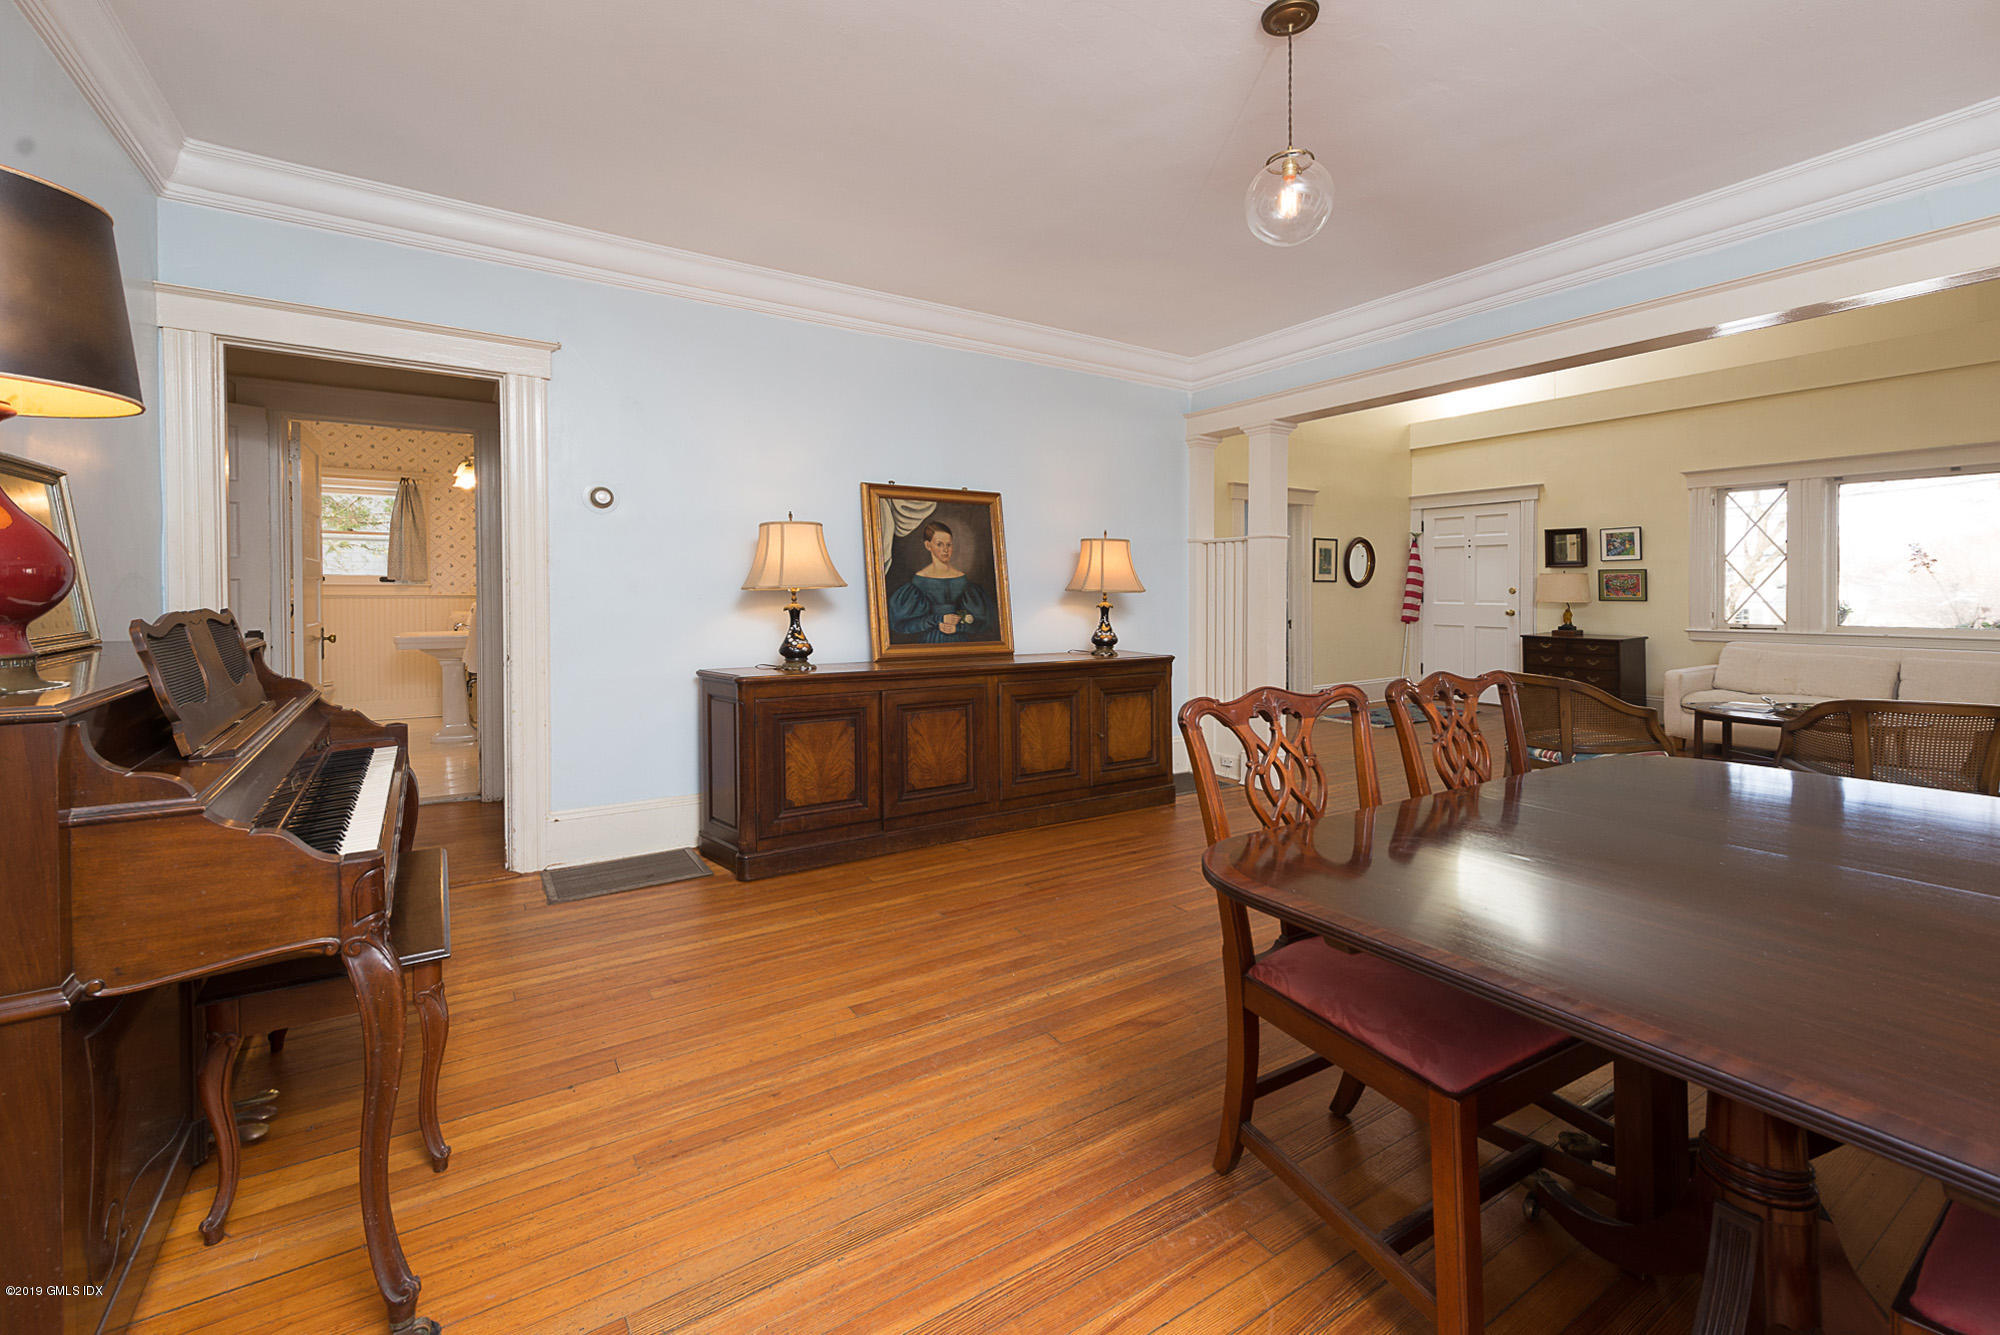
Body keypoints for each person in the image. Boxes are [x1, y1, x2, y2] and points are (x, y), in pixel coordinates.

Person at [886, 519, 994, 643]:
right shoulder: (919, 582)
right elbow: (902, 623)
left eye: (949, 544)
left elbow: (982, 621)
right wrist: (938, 620)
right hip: (930, 642)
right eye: (939, 544)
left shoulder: (963, 580)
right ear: (928, 545)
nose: (945, 550)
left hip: (959, 641)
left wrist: (959, 627)